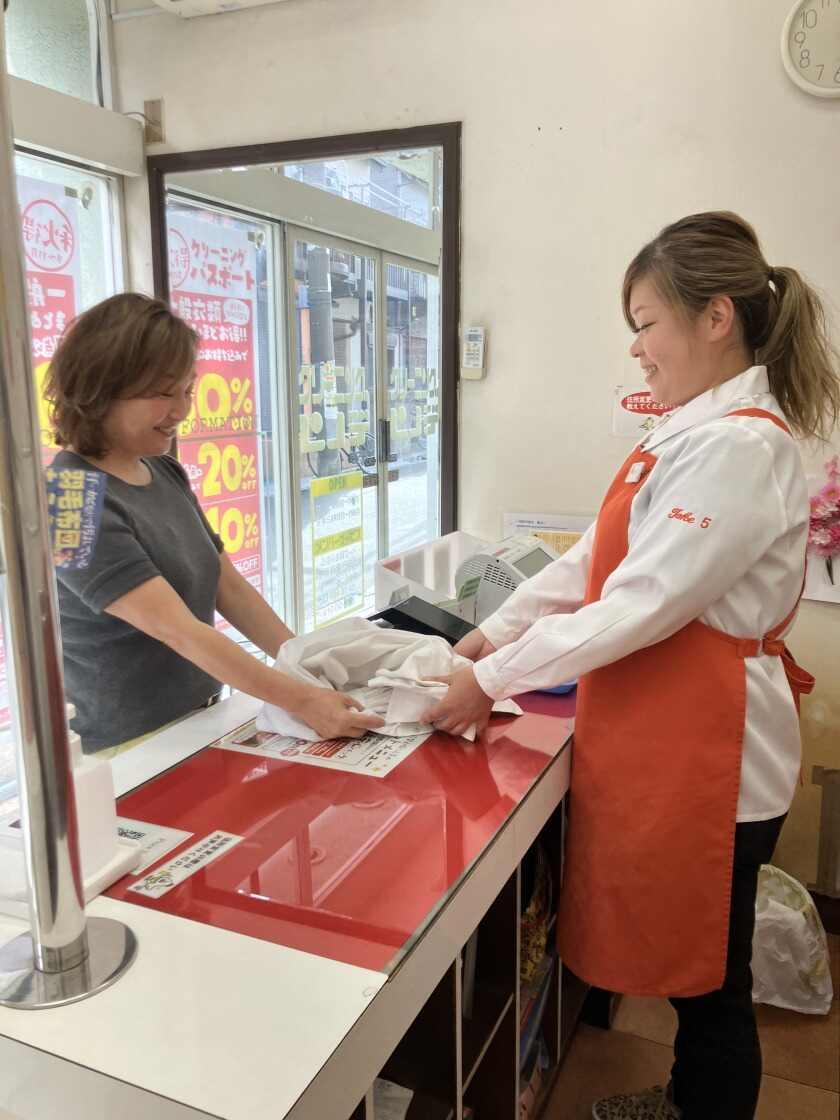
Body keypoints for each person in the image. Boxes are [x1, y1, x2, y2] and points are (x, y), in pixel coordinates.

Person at [426, 212, 840, 1120]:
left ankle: (704, 1108)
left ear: (716, 317)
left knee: (709, 980)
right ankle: (689, 1098)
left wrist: (489, 682)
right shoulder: (692, 431)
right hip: (671, 736)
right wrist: (492, 634)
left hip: (714, 754)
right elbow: (591, 563)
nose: (639, 348)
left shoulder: (741, 446)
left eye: (647, 322)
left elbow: (641, 604)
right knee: (692, 967)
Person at [46, 293, 383, 754]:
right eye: (163, 393)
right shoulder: (66, 502)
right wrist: (304, 699)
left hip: (200, 717)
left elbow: (229, 587)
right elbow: (178, 629)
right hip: (127, 745)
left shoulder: (162, 469)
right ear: (100, 388)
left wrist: (303, 665)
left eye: (186, 390)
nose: (181, 410)